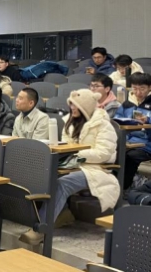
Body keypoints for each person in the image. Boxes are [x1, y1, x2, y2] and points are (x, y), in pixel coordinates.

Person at [20, 89, 119, 245]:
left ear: (86, 106)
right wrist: (70, 155)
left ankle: (41, 230)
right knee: (42, 174)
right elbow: (67, 145)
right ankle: (62, 213)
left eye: (76, 105)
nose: (72, 108)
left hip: (96, 169)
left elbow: (105, 153)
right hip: (73, 164)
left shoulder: (103, 125)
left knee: (63, 183)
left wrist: (78, 154)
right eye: (71, 105)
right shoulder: (70, 122)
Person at [116, 72, 151, 189]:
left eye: (142, 88)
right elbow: (118, 119)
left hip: (147, 144)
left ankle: (123, 189)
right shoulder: (127, 104)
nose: (138, 92)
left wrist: (148, 120)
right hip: (128, 142)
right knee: (114, 154)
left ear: (149, 87)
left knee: (130, 157)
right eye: (135, 88)